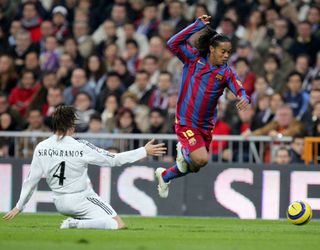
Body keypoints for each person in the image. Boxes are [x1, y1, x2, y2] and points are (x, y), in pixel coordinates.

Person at [3, 105, 166, 230]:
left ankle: (77, 223)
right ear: (71, 124)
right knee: (117, 224)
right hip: (80, 198)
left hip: (58, 201)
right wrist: (143, 151)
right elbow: (114, 160)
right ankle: (74, 224)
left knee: (98, 219)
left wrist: (19, 206)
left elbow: (31, 179)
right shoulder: (80, 146)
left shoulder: (41, 147)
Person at [155, 15, 249, 198]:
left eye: (229, 52)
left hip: (205, 126)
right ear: (212, 49)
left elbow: (239, 87)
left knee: (196, 166)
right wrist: (196, 26)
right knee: (201, 159)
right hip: (186, 121)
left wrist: (243, 96)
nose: (226, 55)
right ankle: (182, 150)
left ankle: (165, 175)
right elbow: (172, 43)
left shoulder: (226, 72)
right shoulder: (193, 59)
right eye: (223, 51)